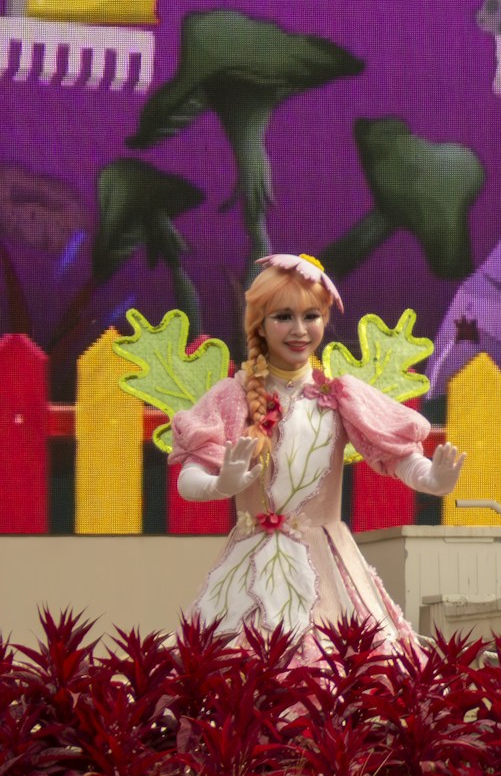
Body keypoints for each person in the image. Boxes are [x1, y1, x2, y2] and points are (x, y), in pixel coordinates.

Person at [170, 254, 463, 646]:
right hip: (248, 573)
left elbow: (400, 458)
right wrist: (219, 484)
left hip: (328, 569)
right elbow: (189, 478)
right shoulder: (232, 397)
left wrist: (432, 479)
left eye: (311, 316)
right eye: (283, 317)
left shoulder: (340, 396)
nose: (299, 330)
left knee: (340, 666)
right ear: (259, 324)